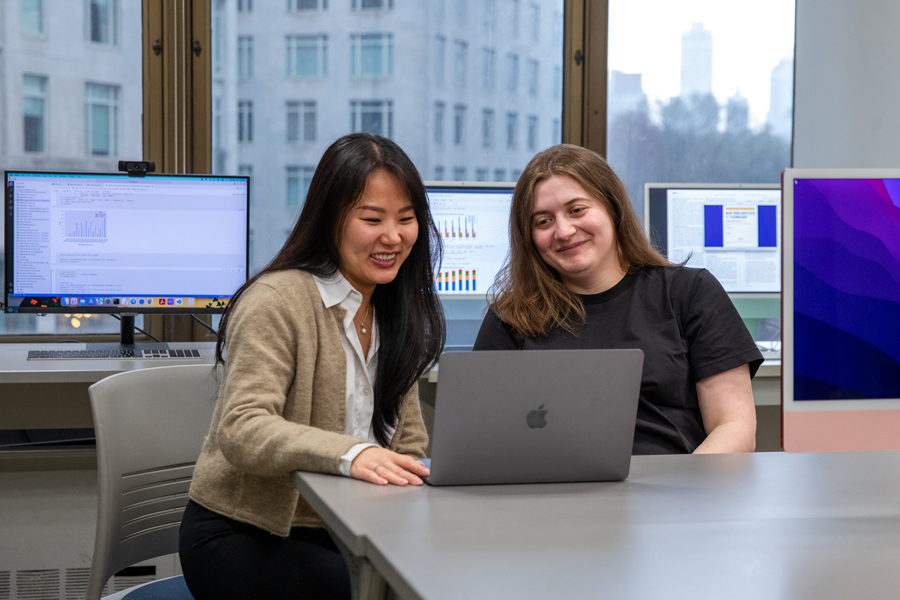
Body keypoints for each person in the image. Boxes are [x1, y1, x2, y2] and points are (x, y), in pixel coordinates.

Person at [179, 133, 444, 600]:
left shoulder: (395, 309)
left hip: (349, 526)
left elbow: (409, 441)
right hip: (247, 532)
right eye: (372, 218)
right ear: (330, 220)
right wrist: (353, 454)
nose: (393, 236)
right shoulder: (277, 301)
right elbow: (242, 428)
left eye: (406, 219)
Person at [473, 144, 762, 455]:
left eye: (577, 210)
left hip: (673, 490)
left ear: (612, 207)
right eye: (543, 221)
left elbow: (734, 426)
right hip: (552, 493)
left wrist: (687, 490)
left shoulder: (689, 292)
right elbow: (479, 436)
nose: (564, 230)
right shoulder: (511, 317)